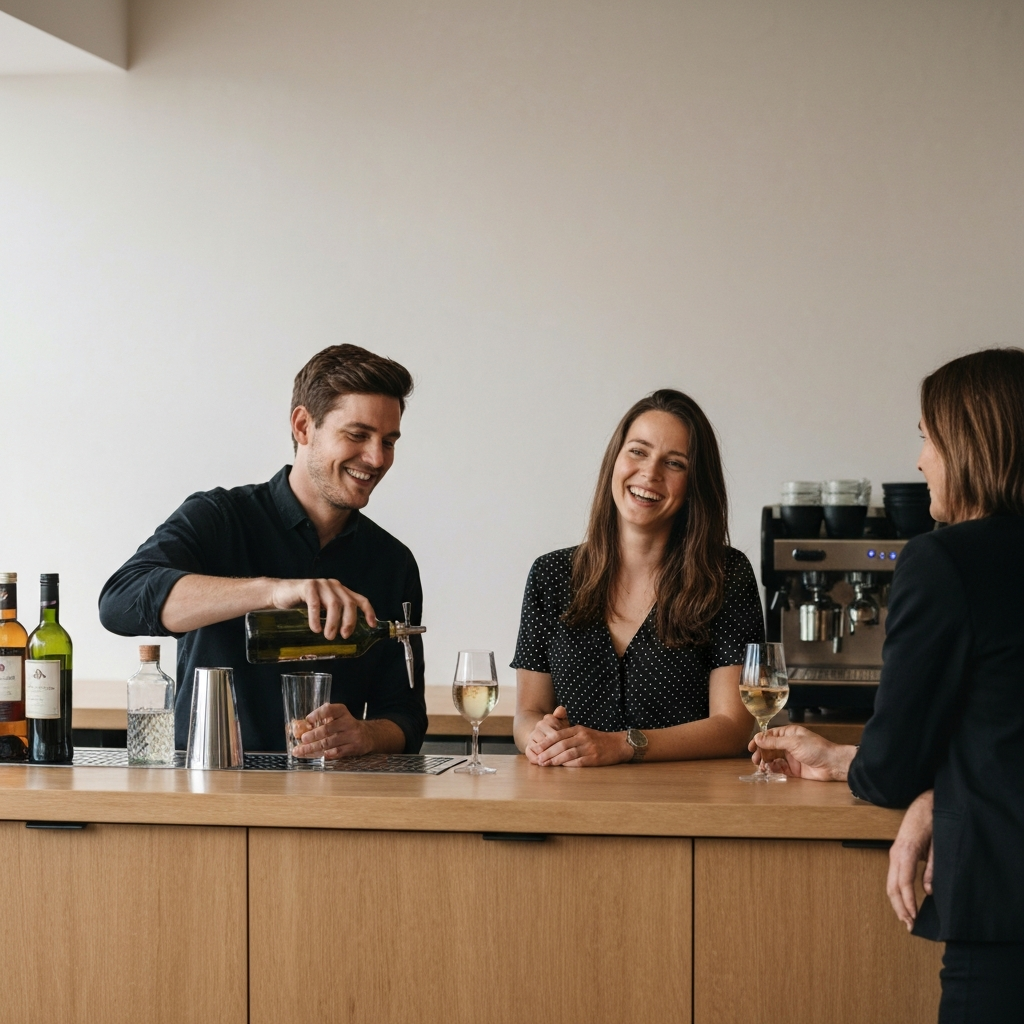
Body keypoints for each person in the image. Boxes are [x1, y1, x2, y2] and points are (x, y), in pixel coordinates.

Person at [748, 348, 1024, 1023]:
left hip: (1003, 908)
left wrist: (896, 782)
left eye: (927, 437)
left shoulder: (945, 560)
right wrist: (843, 758)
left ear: (970, 443)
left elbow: (894, 770)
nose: (921, 459)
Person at [99, 344, 427, 757]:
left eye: (389, 441)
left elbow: (406, 714)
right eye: (358, 435)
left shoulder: (392, 562)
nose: (376, 458)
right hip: (209, 793)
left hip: (330, 799)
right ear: (303, 426)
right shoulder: (219, 518)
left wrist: (365, 734)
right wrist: (271, 592)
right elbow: (118, 603)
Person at [512, 389, 765, 766]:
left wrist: (625, 744)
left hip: (685, 807)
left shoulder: (726, 575)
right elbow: (527, 713)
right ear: (615, 459)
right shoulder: (550, 575)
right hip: (566, 802)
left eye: (675, 463)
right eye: (638, 451)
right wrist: (538, 737)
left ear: (695, 482)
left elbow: (733, 726)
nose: (650, 473)